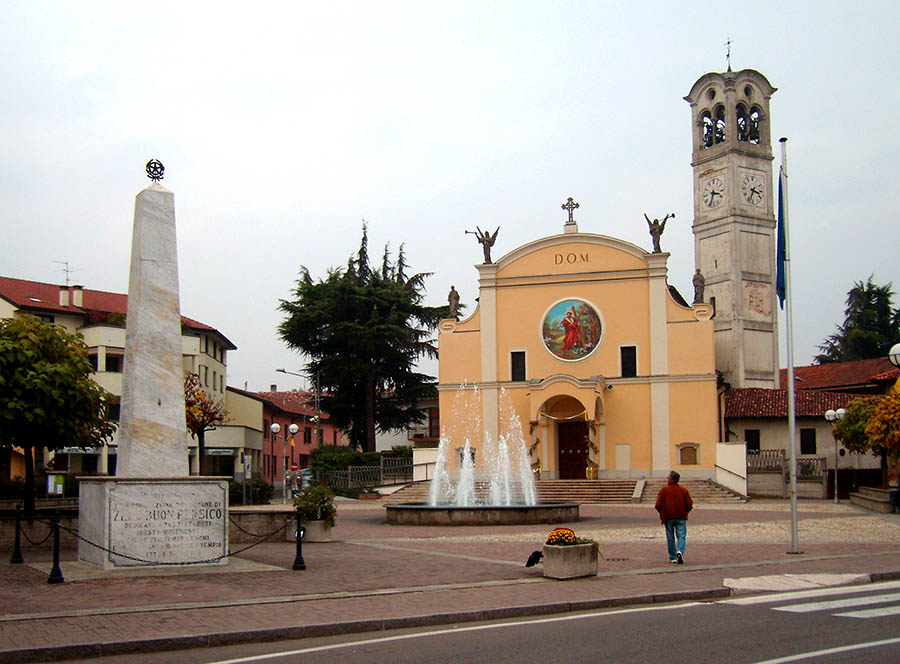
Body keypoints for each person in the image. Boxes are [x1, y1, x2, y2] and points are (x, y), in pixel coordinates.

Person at [655, 470, 693, 564]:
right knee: (681, 535)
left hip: (668, 516)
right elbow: (689, 505)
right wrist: (685, 512)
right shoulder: (683, 490)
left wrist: (663, 512)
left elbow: (657, 505)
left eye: (668, 478)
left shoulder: (664, 490)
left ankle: (672, 557)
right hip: (681, 516)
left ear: (672, 480)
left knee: (670, 536)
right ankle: (680, 551)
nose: (667, 479)